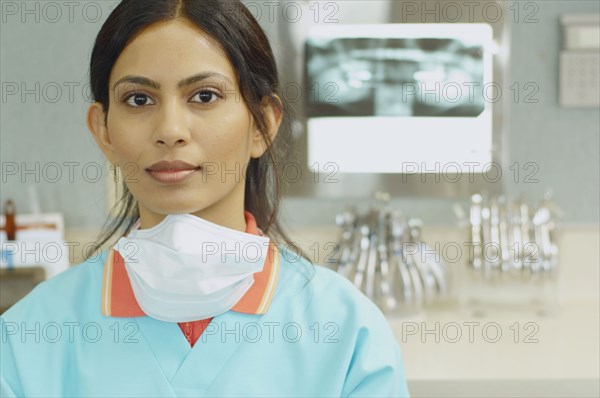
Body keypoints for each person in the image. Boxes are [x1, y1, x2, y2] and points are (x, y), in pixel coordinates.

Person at [0, 1, 410, 396]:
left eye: (205, 96)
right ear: (103, 130)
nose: (171, 129)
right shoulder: (28, 340)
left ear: (262, 123)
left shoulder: (347, 335)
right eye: (139, 99)